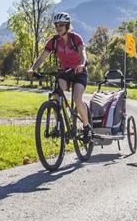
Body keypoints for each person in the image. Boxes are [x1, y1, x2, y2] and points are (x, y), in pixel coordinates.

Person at [28, 12, 92, 141]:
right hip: (65, 73)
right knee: (56, 94)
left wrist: (82, 63)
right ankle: (60, 123)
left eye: (61, 24)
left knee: (77, 98)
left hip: (79, 72)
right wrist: (32, 68)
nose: (58, 27)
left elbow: (83, 53)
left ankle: (86, 128)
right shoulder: (54, 41)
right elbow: (42, 57)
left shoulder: (75, 38)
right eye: (56, 25)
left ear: (67, 25)